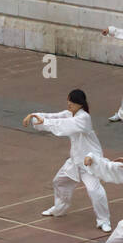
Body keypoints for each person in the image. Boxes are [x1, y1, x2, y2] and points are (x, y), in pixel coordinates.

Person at [23, 88, 112, 232]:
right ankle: (59, 208)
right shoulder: (69, 113)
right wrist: (34, 115)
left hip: (90, 162)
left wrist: (43, 121)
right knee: (59, 182)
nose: (69, 104)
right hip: (75, 161)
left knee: (94, 191)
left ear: (81, 104)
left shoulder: (84, 118)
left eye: (72, 102)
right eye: (68, 100)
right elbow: (54, 117)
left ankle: (104, 221)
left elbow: (63, 126)